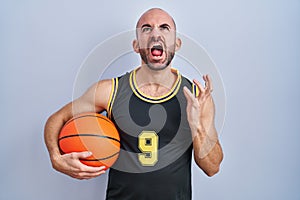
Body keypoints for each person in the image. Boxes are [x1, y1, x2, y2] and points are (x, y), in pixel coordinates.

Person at [44, 8, 223, 200]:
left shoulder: (197, 96)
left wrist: (196, 126)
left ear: (176, 43)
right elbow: (57, 119)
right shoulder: (110, 91)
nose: (156, 33)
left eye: (164, 28)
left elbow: (212, 168)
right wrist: (55, 157)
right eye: (147, 29)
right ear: (136, 45)